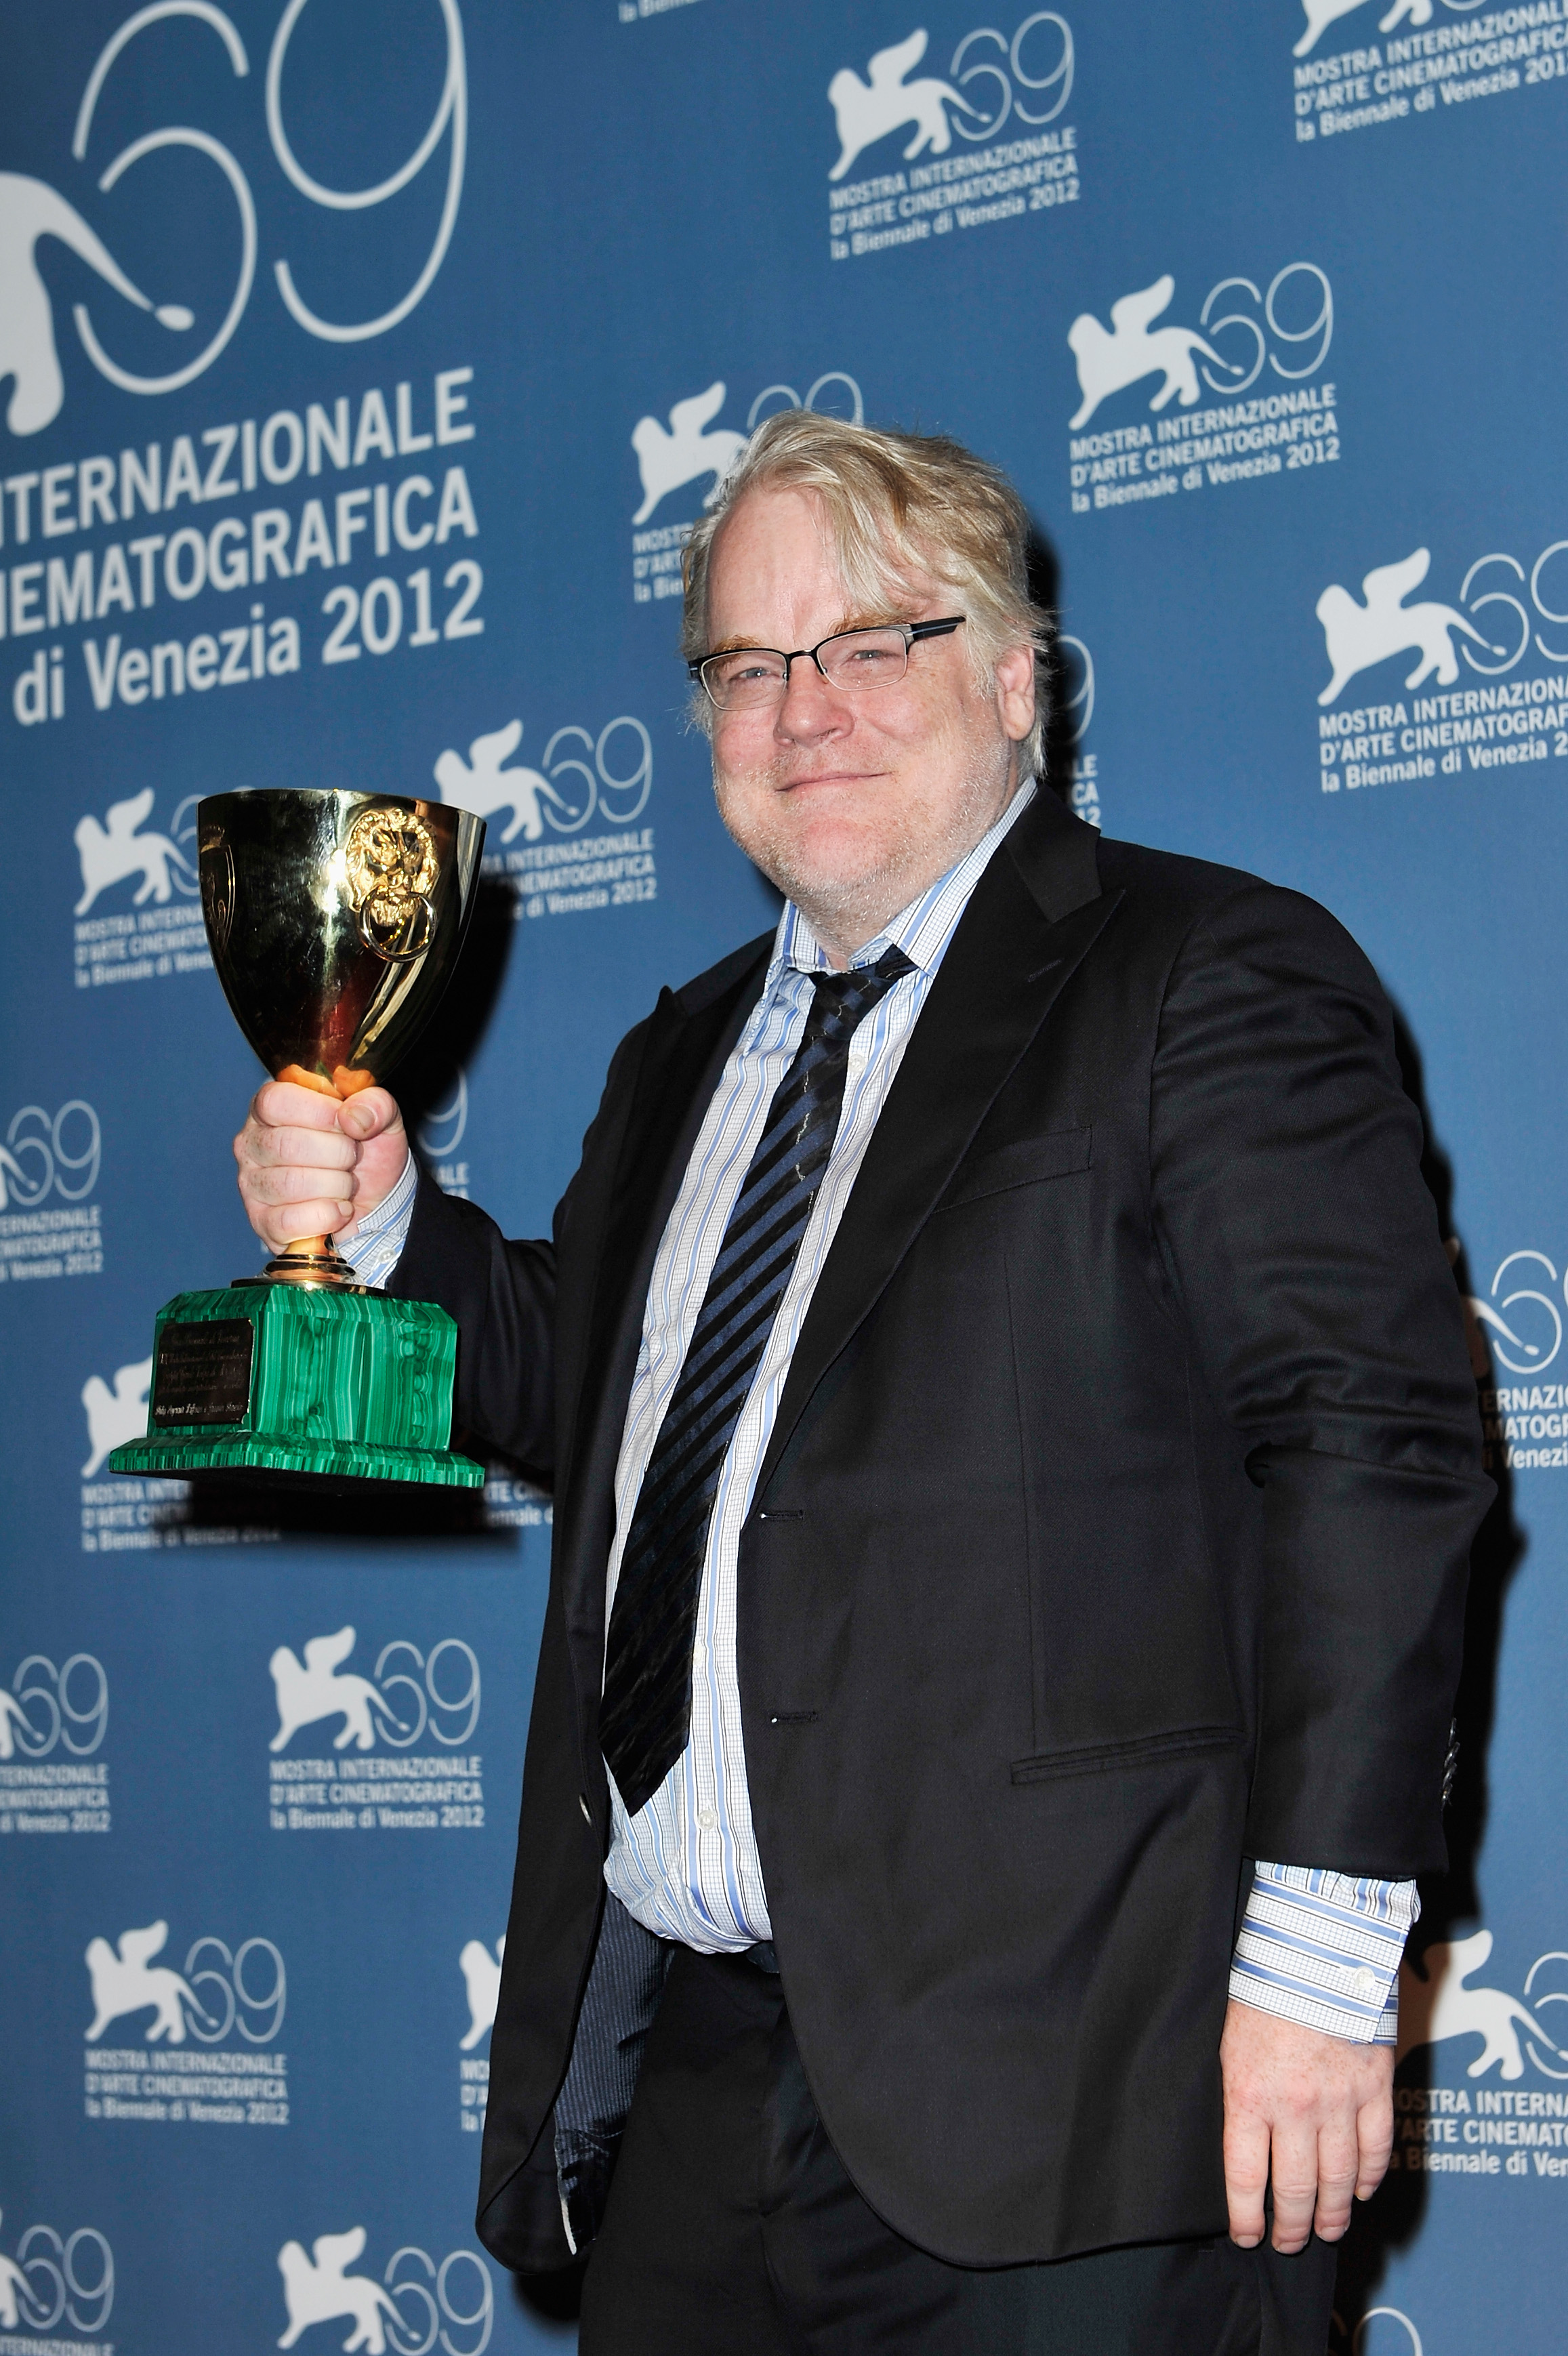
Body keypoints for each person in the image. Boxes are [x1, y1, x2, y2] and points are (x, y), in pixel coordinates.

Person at [234, 413, 1489, 2354]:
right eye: (746, 662)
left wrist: (1324, 1961)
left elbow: (1368, 1452)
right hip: (692, 2081)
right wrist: (395, 1233)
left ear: (1013, 681)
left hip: (1075, 2096)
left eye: (866, 643)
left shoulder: (1204, 973)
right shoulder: (681, 1058)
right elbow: (605, 1400)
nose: (801, 707)